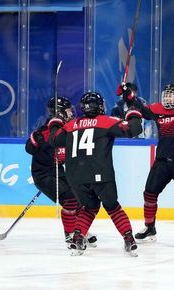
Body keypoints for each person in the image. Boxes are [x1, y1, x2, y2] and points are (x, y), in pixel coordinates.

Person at [48, 92, 143, 257]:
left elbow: (54, 140)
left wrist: (55, 122)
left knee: (89, 207)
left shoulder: (71, 125)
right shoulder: (105, 121)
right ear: (99, 107)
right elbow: (134, 129)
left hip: (75, 177)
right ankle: (129, 239)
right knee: (113, 207)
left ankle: (77, 239)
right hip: (100, 174)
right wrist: (133, 112)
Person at [117, 82, 174, 242]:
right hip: (162, 161)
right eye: (166, 94)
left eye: (171, 94)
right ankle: (150, 227)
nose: (167, 97)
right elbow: (139, 107)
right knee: (149, 193)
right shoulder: (158, 109)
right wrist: (127, 94)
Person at [25, 96, 97, 248]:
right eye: (68, 111)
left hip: (59, 171)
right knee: (69, 199)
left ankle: (79, 230)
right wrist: (35, 139)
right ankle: (70, 235)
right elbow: (29, 149)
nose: (72, 113)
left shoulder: (69, 130)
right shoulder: (44, 132)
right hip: (43, 175)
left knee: (80, 198)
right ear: (59, 113)